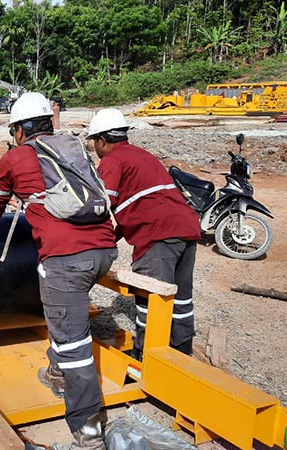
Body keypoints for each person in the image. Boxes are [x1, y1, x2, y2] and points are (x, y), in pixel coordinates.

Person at [0, 92, 117, 449]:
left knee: (75, 345)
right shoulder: (73, 148)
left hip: (66, 259)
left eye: (13, 131)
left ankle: (87, 429)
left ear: (20, 130)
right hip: (104, 250)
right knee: (65, 318)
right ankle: (56, 372)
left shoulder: (16, 156)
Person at [87, 108, 201, 361]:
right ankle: (182, 353)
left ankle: (147, 360)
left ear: (102, 140)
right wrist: (110, 239)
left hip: (157, 236)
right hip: (186, 230)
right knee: (179, 298)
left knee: (152, 300)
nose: (95, 147)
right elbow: (136, 205)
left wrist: (90, 243)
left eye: (95, 141)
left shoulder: (112, 161)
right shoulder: (142, 156)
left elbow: (101, 207)